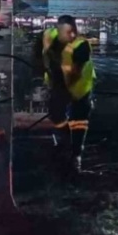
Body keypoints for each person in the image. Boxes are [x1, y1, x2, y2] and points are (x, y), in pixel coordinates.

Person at [42, 15, 96, 173]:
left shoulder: (82, 47)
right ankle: (66, 140)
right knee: (56, 115)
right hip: (58, 83)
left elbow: (75, 74)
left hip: (80, 87)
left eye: (74, 31)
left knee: (79, 120)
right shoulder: (51, 35)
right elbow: (46, 37)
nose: (72, 35)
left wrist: (64, 91)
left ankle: (76, 153)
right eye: (67, 32)